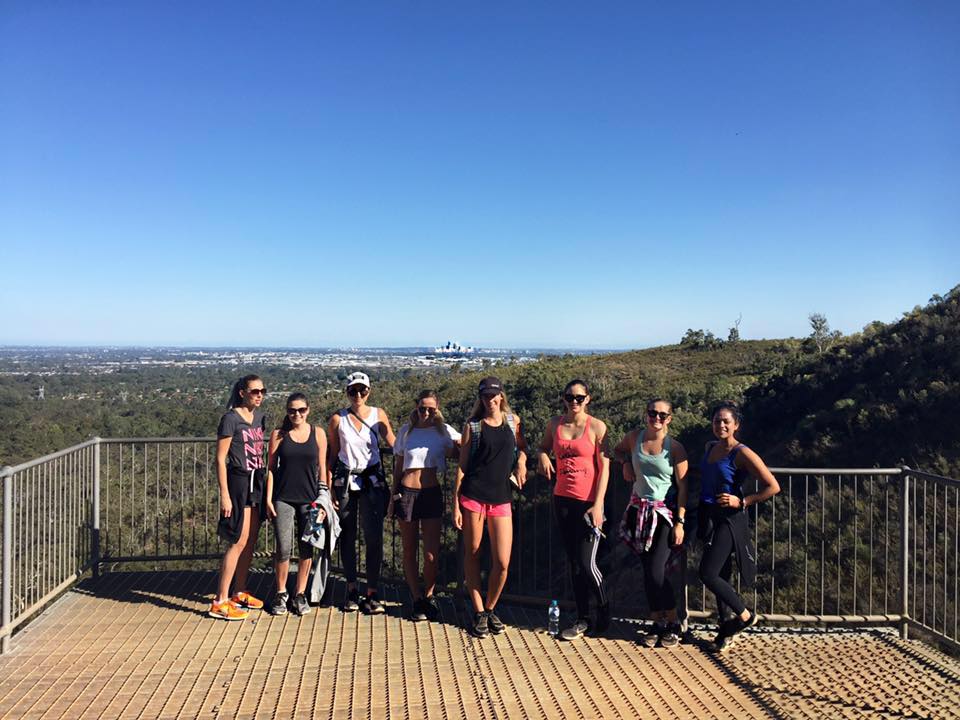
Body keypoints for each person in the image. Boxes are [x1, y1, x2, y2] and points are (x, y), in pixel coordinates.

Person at [698, 401, 780, 651]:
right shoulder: (710, 447)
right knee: (721, 573)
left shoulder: (742, 452)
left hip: (731, 520)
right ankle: (725, 632)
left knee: (707, 573)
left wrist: (742, 500)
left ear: (736, 425)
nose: (720, 425)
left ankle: (745, 616)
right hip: (710, 515)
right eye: (716, 421)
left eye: (726, 421)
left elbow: (773, 486)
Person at [454, 377, 528, 638]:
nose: (490, 400)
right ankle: (479, 612)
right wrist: (455, 504)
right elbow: (462, 466)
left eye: (494, 395)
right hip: (474, 496)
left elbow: (522, 447)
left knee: (502, 562)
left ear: (501, 396)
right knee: (472, 554)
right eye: (485, 396)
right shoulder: (473, 427)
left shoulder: (512, 422)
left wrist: (521, 462)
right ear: (481, 398)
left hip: (501, 498)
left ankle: (490, 607)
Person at [536, 380, 610, 640]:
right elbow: (543, 447)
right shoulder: (554, 424)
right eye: (570, 397)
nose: (574, 402)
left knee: (587, 562)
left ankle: (604, 609)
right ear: (563, 398)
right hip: (562, 500)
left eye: (579, 397)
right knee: (574, 564)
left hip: (588, 503)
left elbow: (605, 468)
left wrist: (599, 503)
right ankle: (583, 617)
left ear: (588, 399)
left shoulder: (598, 427)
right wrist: (543, 456)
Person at [614, 399, 689, 648]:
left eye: (662, 415)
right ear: (646, 414)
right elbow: (617, 449)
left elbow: (683, 488)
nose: (656, 418)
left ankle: (673, 620)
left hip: (663, 514)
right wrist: (625, 463)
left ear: (669, 418)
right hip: (638, 510)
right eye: (652, 413)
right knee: (648, 570)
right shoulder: (635, 437)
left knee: (657, 570)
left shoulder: (675, 448)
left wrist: (680, 521)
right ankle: (657, 621)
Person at [327, 371, 396, 614]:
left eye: (362, 390)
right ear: (347, 393)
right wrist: (328, 488)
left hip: (372, 481)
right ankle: (352, 589)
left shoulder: (379, 415)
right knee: (347, 536)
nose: (358, 395)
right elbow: (333, 455)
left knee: (373, 538)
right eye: (353, 391)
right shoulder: (338, 418)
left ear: (369, 391)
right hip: (345, 481)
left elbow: (394, 444)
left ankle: (372, 591)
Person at [391, 390, 461, 621]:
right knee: (409, 549)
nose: (426, 413)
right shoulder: (406, 431)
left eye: (431, 409)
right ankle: (416, 598)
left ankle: (429, 594)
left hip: (431, 493)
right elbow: (399, 465)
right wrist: (393, 497)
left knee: (431, 554)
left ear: (437, 409)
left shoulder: (443, 430)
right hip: (407, 493)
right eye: (422, 408)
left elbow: (465, 445)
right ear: (416, 407)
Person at [210, 374, 268, 620]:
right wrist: (224, 494)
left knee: (251, 539)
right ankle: (220, 600)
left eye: (262, 391)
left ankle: (239, 590)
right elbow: (220, 458)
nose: (259, 395)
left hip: (257, 481)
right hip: (238, 483)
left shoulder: (258, 419)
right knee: (238, 540)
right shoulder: (230, 419)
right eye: (254, 391)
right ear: (242, 392)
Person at [265, 392, 327, 616]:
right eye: (292, 410)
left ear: (308, 410)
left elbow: (323, 467)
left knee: (306, 547)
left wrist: (324, 500)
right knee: (283, 547)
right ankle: (281, 592)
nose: (296, 414)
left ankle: (300, 593)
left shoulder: (318, 433)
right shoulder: (278, 435)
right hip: (283, 497)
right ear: (287, 411)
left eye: (301, 410)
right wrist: (269, 498)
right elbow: (271, 468)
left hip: (310, 500)